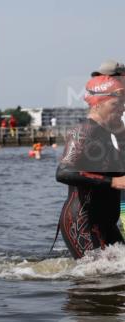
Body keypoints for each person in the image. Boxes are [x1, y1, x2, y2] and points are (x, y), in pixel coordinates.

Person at [56, 74, 125, 259]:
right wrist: (113, 181)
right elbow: (63, 173)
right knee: (93, 284)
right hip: (82, 222)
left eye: (123, 103)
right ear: (98, 104)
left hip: (106, 223)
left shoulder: (109, 132)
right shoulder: (83, 131)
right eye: (115, 104)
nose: (121, 108)